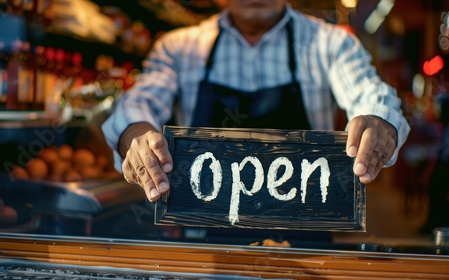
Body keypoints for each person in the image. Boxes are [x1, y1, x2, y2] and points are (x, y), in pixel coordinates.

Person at [102, 0, 410, 203]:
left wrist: (377, 119)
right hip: (202, 239)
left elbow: (369, 91)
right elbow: (140, 102)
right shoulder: (179, 48)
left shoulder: (331, 43)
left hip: (304, 237)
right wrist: (136, 136)